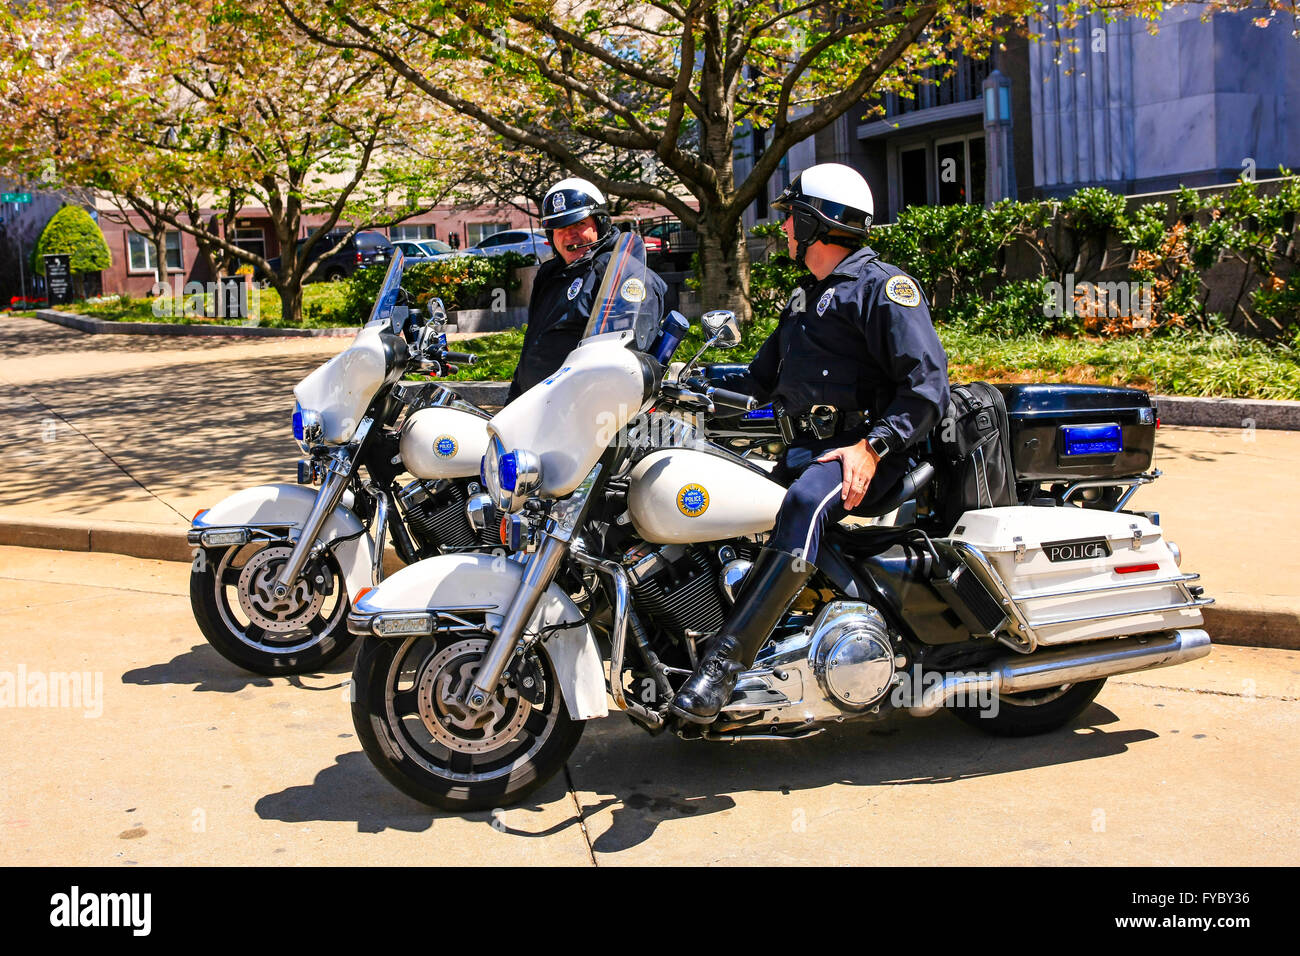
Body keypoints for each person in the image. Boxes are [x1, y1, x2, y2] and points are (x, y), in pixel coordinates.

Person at [669, 162, 951, 724]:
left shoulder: (883, 290)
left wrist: (871, 447)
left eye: (791, 219)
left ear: (815, 220)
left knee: (800, 504)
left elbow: (926, 387)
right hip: (807, 452)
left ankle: (724, 670)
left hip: (866, 455)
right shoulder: (804, 299)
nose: (786, 231)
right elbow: (758, 382)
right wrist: (682, 384)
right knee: (728, 504)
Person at [507, 177, 666, 402]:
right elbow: (533, 344)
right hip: (534, 408)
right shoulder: (550, 274)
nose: (569, 235)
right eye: (559, 228)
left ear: (600, 224)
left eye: (579, 224)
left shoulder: (622, 274)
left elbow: (625, 363)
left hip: (582, 414)